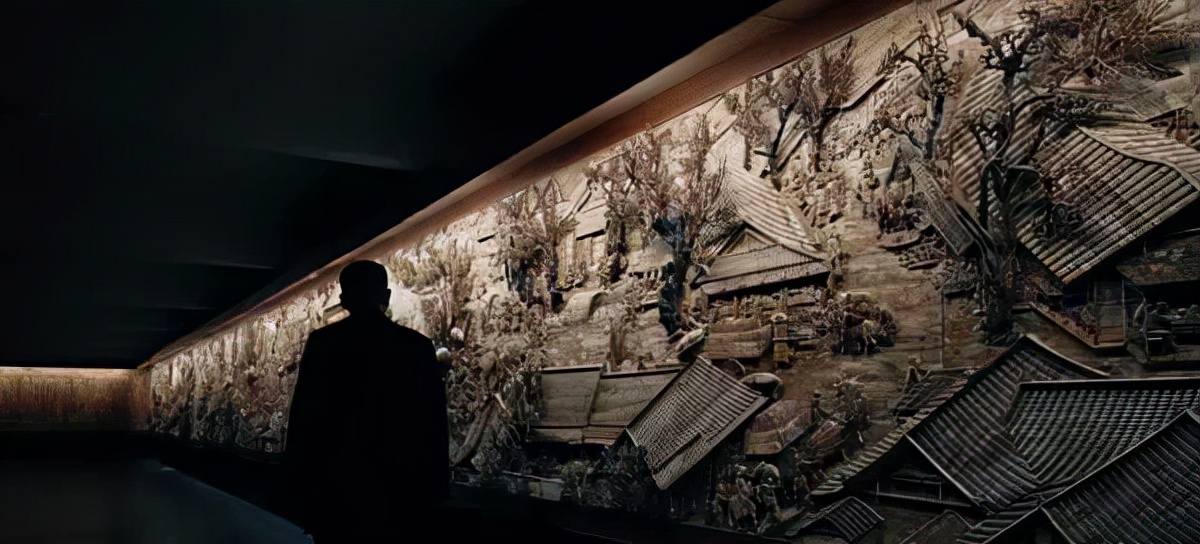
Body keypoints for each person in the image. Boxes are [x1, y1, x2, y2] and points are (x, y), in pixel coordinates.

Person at [285, 260, 449, 542]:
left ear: (344, 300)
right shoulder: (416, 346)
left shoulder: (324, 343)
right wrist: (436, 487)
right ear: (386, 296)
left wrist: (298, 487)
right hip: (399, 487)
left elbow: (305, 417)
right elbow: (433, 420)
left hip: (337, 486)